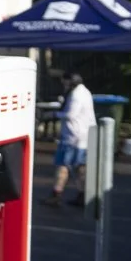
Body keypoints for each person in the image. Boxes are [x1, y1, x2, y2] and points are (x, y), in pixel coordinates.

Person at [49, 72, 94, 207]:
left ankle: (56, 194)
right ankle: (83, 194)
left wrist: (54, 114)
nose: (64, 85)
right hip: (84, 136)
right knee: (80, 167)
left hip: (72, 136)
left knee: (63, 165)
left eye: (65, 82)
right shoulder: (85, 92)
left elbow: (70, 114)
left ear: (71, 81)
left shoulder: (76, 95)